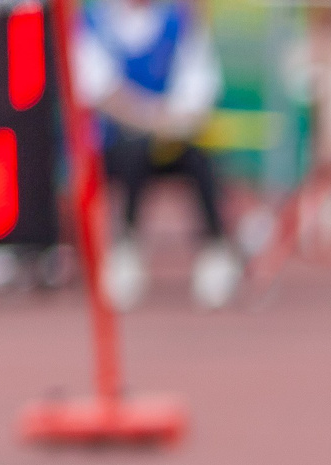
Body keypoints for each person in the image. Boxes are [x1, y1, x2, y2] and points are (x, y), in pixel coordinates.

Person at [73, 0, 237, 310]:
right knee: (134, 149)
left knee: (198, 157)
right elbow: (98, 90)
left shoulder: (181, 22)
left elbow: (198, 89)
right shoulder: (93, 22)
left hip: (169, 140)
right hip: (113, 145)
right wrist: (147, 119)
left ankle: (215, 247)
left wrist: (171, 122)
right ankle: (125, 247)